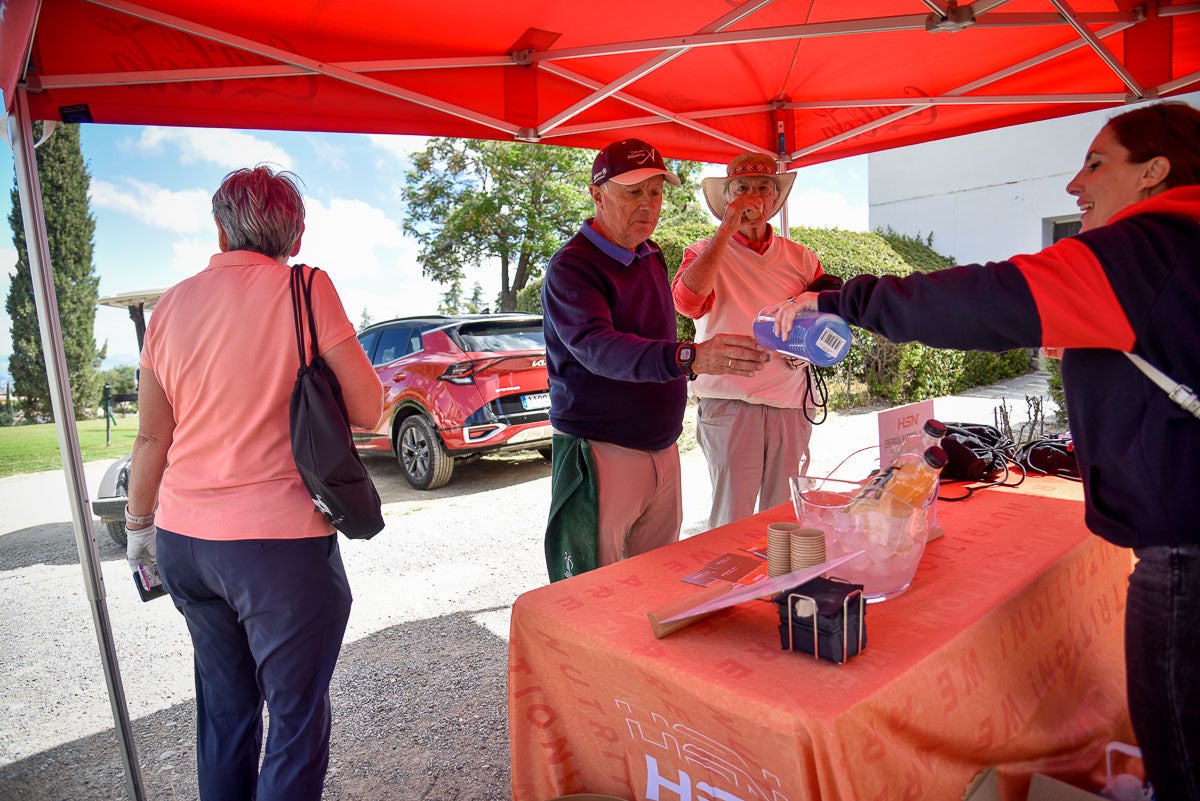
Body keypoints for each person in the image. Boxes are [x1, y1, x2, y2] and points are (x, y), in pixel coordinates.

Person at [783, 100, 1200, 801]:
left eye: (1096, 162)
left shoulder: (1146, 249)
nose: (1075, 183)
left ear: (1155, 172)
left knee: (1183, 763)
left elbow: (985, 298)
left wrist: (844, 300)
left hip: (1187, 555)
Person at [123, 165, 383, 801]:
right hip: (277, 547)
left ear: (219, 228)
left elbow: (151, 438)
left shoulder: (170, 306)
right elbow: (369, 408)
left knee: (224, 712)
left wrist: (137, 529)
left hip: (183, 541)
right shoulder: (305, 288)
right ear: (294, 236)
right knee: (293, 721)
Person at [541, 138, 768, 581]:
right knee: (592, 589)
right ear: (596, 193)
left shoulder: (651, 254)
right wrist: (690, 357)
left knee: (658, 581)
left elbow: (652, 338)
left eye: (656, 191)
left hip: (662, 447)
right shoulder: (573, 266)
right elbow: (598, 348)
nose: (648, 204)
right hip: (601, 450)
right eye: (633, 192)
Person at [674, 152, 838, 528]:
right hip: (731, 403)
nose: (754, 196)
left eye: (764, 188)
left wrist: (810, 350)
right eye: (742, 188)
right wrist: (725, 230)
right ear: (727, 199)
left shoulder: (802, 258)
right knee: (731, 519)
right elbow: (686, 303)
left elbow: (824, 320)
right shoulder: (703, 251)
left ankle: (780, 585)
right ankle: (733, 589)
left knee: (785, 517)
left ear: (774, 199)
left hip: (791, 402)